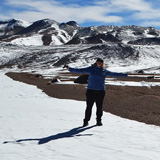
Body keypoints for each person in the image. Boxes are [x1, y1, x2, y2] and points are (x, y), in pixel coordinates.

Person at [66, 58, 127, 127]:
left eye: (101, 62)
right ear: (96, 62)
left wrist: (124, 75)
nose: (99, 63)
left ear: (102, 63)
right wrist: (69, 69)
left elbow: (113, 74)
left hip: (101, 91)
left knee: (99, 107)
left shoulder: (104, 71)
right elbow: (80, 70)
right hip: (90, 90)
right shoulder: (91, 69)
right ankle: (86, 121)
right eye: (98, 62)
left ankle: (99, 121)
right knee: (89, 107)